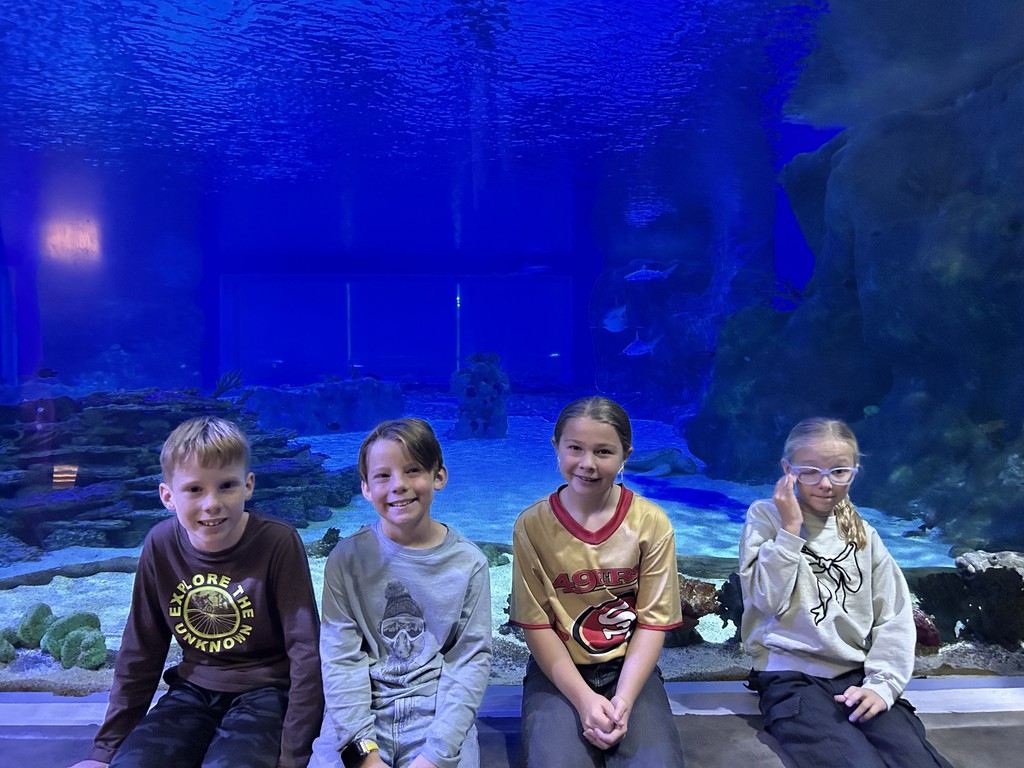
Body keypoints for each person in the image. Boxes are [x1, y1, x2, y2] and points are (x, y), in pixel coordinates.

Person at [69, 416, 324, 768]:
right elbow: (141, 649)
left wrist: (293, 757)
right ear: (167, 496)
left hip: (267, 692)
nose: (211, 503)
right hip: (191, 690)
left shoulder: (278, 542)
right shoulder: (160, 544)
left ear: (248, 485)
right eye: (194, 489)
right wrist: (104, 752)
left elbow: (306, 654)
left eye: (226, 486)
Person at [740, 418, 953, 768]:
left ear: (855, 471)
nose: (825, 484)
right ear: (787, 470)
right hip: (790, 678)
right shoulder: (766, 517)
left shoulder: (864, 533)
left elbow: (893, 615)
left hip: (857, 673)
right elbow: (767, 601)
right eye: (809, 471)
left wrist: (882, 686)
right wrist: (790, 529)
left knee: (917, 759)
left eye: (839, 472)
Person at [509, 396, 686, 767]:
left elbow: (653, 623)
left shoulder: (651, 523)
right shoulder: (531, 526)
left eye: (604, 451)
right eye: (575, 448)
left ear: (625, 455)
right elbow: (537, 624)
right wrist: (584, 700)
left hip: (629, 669)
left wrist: (622, 700)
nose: (587, 464)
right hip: (558, 671)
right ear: (556, 447)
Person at [319, 418, 492, 768]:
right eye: (383, 476)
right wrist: (362, 751)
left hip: (438, 711)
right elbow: (341, 660)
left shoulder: (469, 563)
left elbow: (469, 662)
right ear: (366, 488)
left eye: (412, 470)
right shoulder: (346, 560)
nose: (398, 485)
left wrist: (436, 755)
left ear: (438, 477)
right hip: (362, 710)